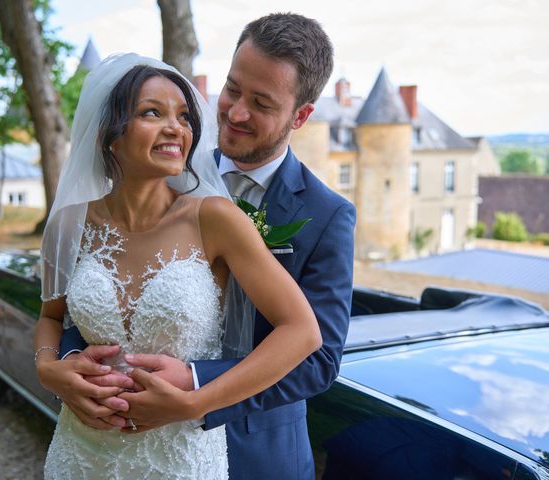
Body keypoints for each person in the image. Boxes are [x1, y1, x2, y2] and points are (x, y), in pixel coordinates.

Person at [45, 13, 356, 479]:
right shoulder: (164, 164)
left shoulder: (327, 214)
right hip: (108, 439)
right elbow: (84, 308)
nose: (234, 112)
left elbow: (319, 357)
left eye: (261, 102)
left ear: (301, 115)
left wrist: (192, 391)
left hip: (253, 451)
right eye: (232, 89)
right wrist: (64, 364)